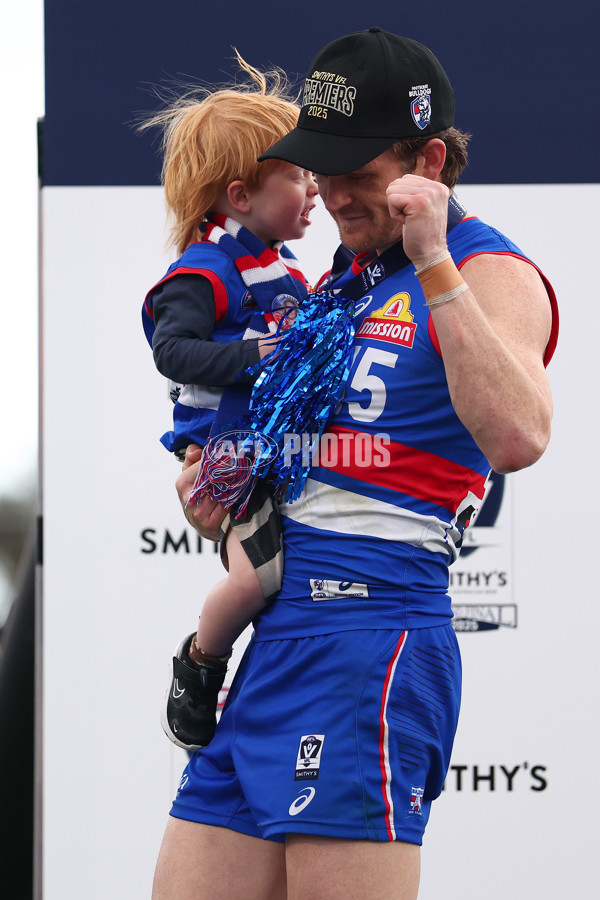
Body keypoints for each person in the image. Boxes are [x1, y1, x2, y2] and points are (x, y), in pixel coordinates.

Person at [152, 28, 558, 900]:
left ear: (431, 161)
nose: (332, 194)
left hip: (371, 636)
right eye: (319, 170)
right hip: (275, 640)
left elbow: (518, 436)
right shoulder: (339, 280)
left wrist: (435, 261)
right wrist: (216, 481)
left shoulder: (487, 268)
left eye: (358, 174)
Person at [141, 55, 318, 749]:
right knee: (254, 581)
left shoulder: (291, 269)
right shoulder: (202, 269)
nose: (314, 189)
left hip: (278, 451)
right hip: (221, 456)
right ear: (240, 196)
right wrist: (254, 357)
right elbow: (171, 351)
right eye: (298, 177)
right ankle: (200, 664)